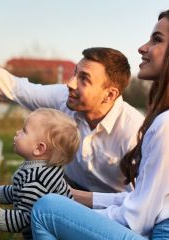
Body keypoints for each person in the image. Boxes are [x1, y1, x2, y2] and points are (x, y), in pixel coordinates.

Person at [0, 17, 144, 193]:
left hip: (112, 211)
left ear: (109, 94)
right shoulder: (63, 98)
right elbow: (10, 85)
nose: (71, 83)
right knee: (33, 178)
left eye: (84, 79)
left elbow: (141, 201)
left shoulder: (134, 131)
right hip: (68, 189)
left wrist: (72, 198)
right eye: (75, 73)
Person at [31, 9, 169, 239]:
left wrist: (73, 217)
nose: (143, 47)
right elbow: (142, 200)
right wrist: (73, 197)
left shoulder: (161, 125)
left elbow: (137, 219)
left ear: (110, 94)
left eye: (157, 40)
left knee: (47, 210)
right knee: (56, 203)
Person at [0, 108, 80, 239]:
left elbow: (26, 219)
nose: (17, 132)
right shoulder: (38, 170)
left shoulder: (37, 180)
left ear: (39, 148)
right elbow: (20, 192)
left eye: (24, 131)